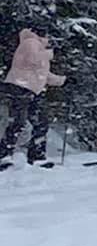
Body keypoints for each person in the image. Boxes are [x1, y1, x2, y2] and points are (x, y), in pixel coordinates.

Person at [1, 24, 65, 168]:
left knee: (40, 122)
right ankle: (4, 155)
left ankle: (37, 156)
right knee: (18, 122)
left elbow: (43, 74)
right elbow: (32, 59)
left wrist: (63, 80)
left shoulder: (39, 48)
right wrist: (51, 53)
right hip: (19, 87)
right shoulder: (30, 42)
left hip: (31, 91)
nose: (49, 38)